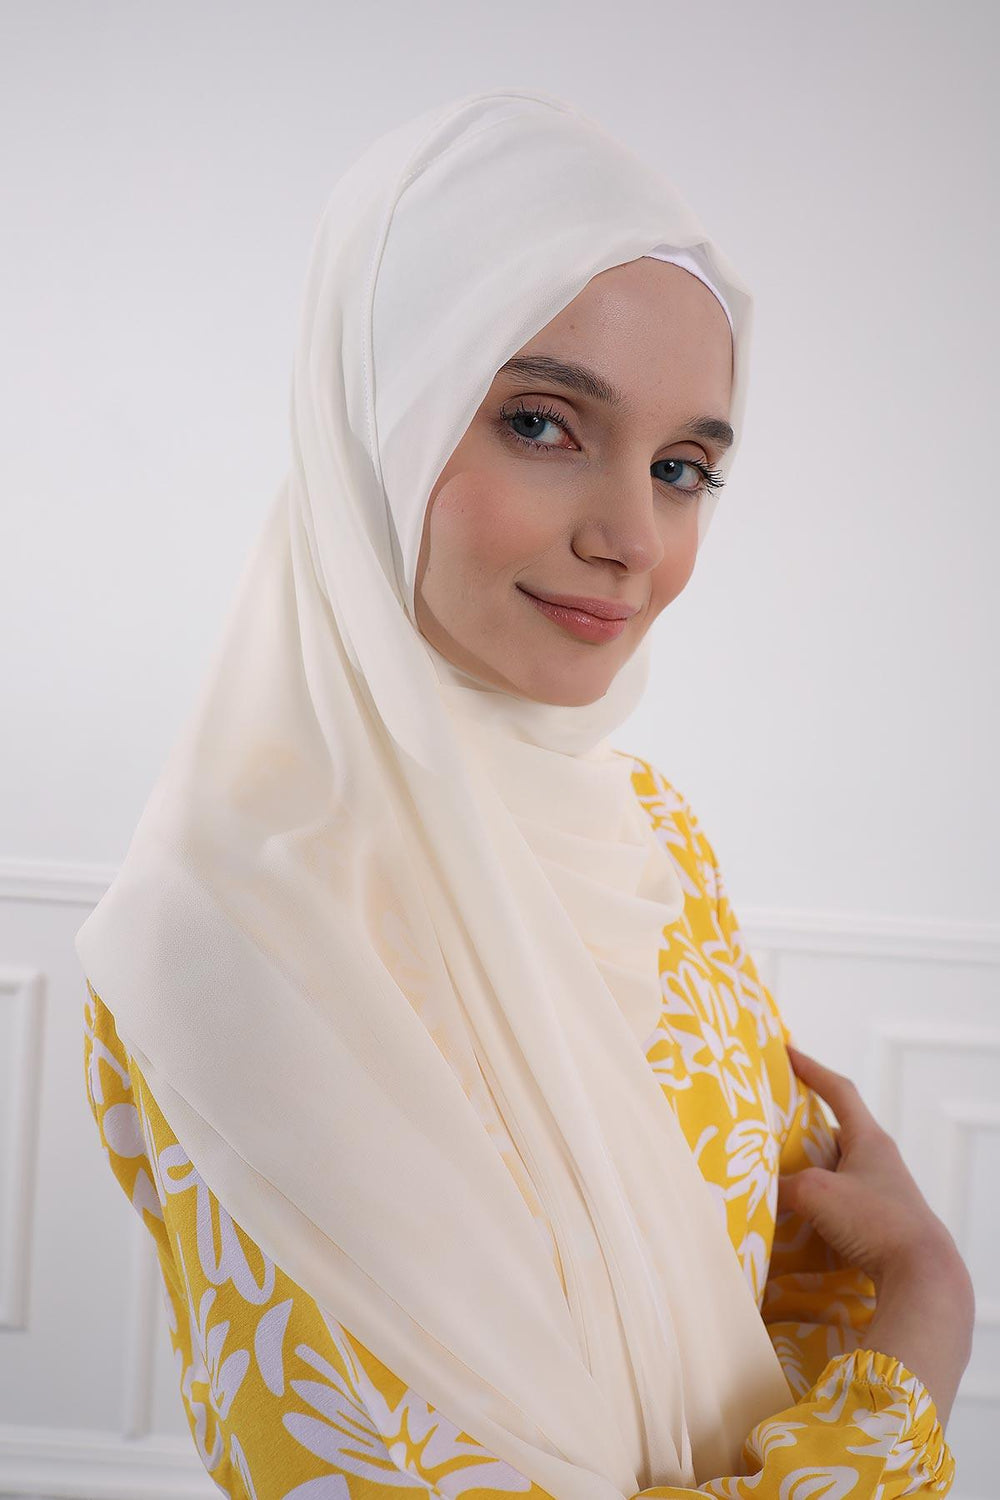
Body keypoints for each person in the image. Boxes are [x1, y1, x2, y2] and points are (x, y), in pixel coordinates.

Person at [78, 86, 972, 1499]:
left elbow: (779, 1270)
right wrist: (920, 1337)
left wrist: (880, 1297)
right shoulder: (231, 944)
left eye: (683, 468)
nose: (633, 538)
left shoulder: (648, 827)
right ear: (378, 417)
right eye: (543, 424)